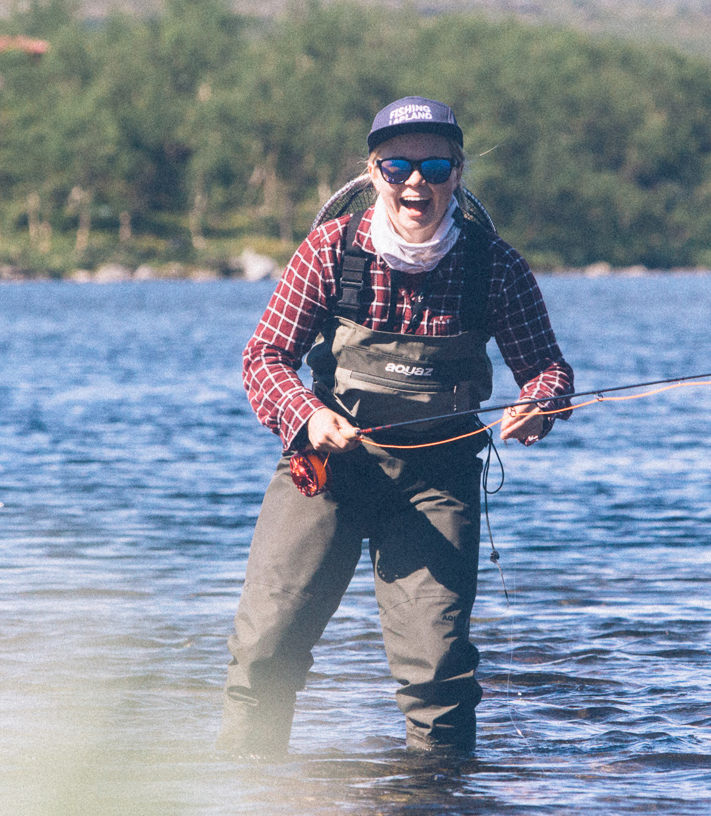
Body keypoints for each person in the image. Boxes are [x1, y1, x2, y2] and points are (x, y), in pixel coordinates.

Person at [220, 96, 574, 756]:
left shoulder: (494, 266)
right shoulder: (329, 250)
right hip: (326, 470)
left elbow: (549, 369)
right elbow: (264, 357)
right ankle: (247, 795)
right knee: (265, 646)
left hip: (437, 482)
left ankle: (439, 805)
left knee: (438, 673)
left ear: (458, 175)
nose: (418, 182)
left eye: (436, 166)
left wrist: (540, 406)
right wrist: (306, 415)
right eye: (399, 166)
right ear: (374, 171)